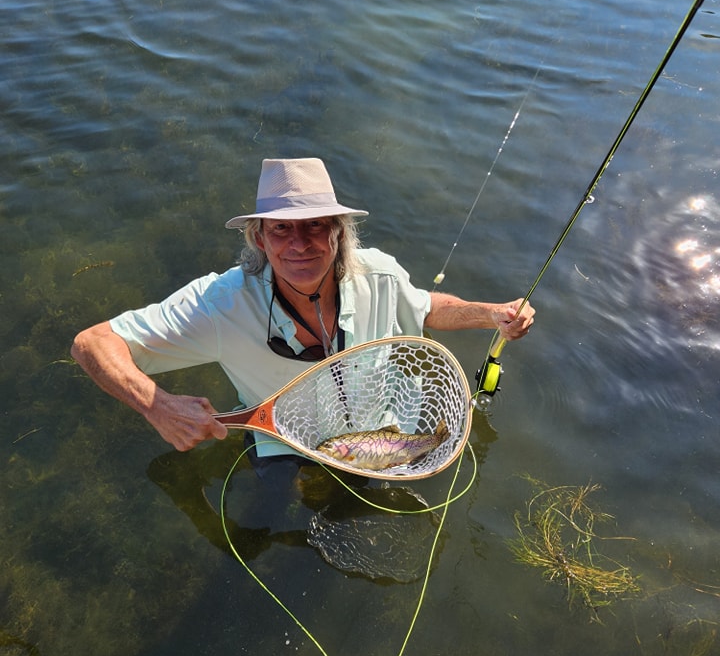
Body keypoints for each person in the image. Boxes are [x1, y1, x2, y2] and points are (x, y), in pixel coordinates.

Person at [71, 157, 535, 462]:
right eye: (280, 230)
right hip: (283, 446)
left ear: (338, 232)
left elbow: (425, 307)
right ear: (258, 238)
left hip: (384, 439)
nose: (299, 244)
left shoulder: (378, 274)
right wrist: (158, 405)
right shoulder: (221, 305)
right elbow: (92, 343)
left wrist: (490, 313)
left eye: (315, 226)